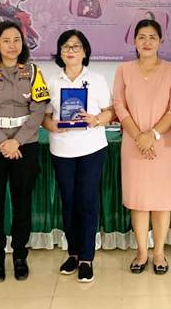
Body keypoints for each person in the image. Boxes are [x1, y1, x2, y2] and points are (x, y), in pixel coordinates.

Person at [0, 20, 50, 282]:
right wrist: (3, 142)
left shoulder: (33, 71)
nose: (12, 45)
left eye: (16, 40)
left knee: (22, 203)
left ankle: (19, 255)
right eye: (6, 40)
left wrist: (16, 141)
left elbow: (39, 110)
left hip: (24, 145)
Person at [42, 30, 113, 283]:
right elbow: (44, 116)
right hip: (61, 149)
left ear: (85, 51)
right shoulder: (52, 81)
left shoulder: (97, 79)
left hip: (91, 148)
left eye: (76, 46)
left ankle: (86, 258)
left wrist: (96, 120)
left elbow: (110, 112)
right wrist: (52, 125)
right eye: (65, 47)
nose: (70, 51)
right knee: (69, 202)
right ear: (60, 53)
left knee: (87, 201)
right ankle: (72, 253)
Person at [113, 19, 171, 275]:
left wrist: (152, 135)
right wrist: (139, 136)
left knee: (161, 201)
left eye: (152, 37)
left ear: (160, 41)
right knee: (139, 200)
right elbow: (119, 106)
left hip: (163, 144)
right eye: (141, 37)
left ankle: (159, 252)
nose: (147, 42)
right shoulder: (124, 70)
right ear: (134, 41)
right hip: (133, 144)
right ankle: (142, 251)